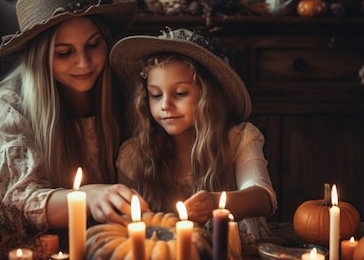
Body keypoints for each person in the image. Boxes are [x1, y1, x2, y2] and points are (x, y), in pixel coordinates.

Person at [0, 0, 149, 231]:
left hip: (119, 238)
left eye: (93, 45)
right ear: (39, 58)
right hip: (45, 248)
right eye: (64, 52)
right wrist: (87, 198)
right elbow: (14, 203)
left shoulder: (125, 89)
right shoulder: (8, 106)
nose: (84, 62)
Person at [110, 28, 277, 242]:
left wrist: (216, 203)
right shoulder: (133, 154)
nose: (165, 105)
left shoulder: (239, 138)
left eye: (180, 93)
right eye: (155, 95)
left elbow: (264, 198)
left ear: (208, 96)